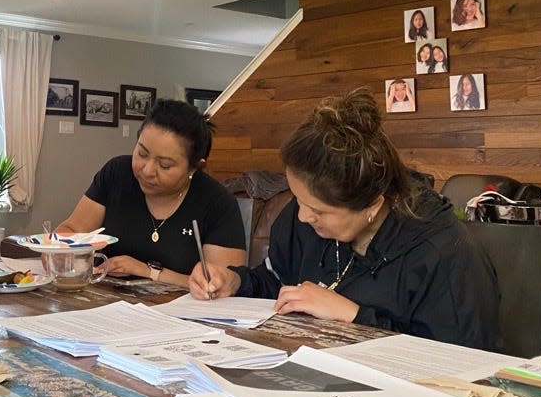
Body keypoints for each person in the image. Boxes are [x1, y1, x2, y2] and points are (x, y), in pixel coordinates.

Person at [188, 90, 500, 350]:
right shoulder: (303, 222)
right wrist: (237, 281)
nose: (302, 216)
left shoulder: (444, 254)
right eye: (298, 200)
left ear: (372, 205)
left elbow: (457, 362)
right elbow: (278, 281)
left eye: (319, 211)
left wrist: (352, 314)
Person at [56, 99, 245, 287]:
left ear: (194, 168)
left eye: (165, 165)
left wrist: (149, 272)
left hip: (179, 312)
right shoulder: (116, 174)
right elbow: (73, 229)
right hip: (104, 301)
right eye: (142, 154)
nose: (147, 171)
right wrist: (58, 249)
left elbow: (220, 285)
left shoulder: (217, 202)